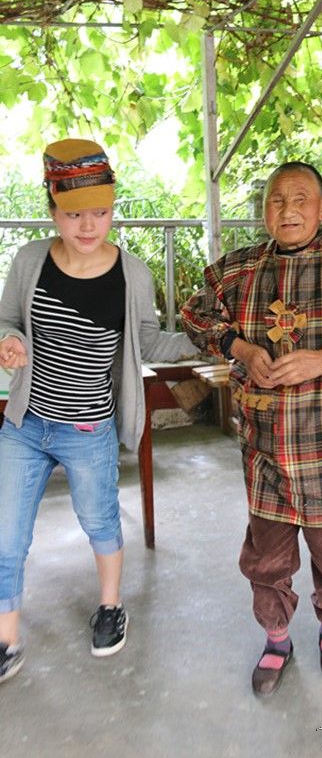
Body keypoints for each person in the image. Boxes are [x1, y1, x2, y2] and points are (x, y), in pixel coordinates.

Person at [181, 162, 322, 696]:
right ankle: (277, 638)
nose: (288, 210)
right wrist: (240, 348)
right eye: (276, 201)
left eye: (301, 199)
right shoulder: (238, 269)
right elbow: (195, 314)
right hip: (268, 447)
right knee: (267, 556)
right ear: (264, 212)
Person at [0, 138, 196, 683]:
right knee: (6, 536)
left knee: (100, 522)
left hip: (88, 428)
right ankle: (6, 639)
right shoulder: (29, 261)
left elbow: (149, 342)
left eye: (101, 213)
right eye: (74, 214)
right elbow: (7, 320)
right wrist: (10, 341)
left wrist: (210, 340)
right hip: (25, 425)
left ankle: (110, 607)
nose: (88, 226)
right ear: (52, 210)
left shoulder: (132, 274)